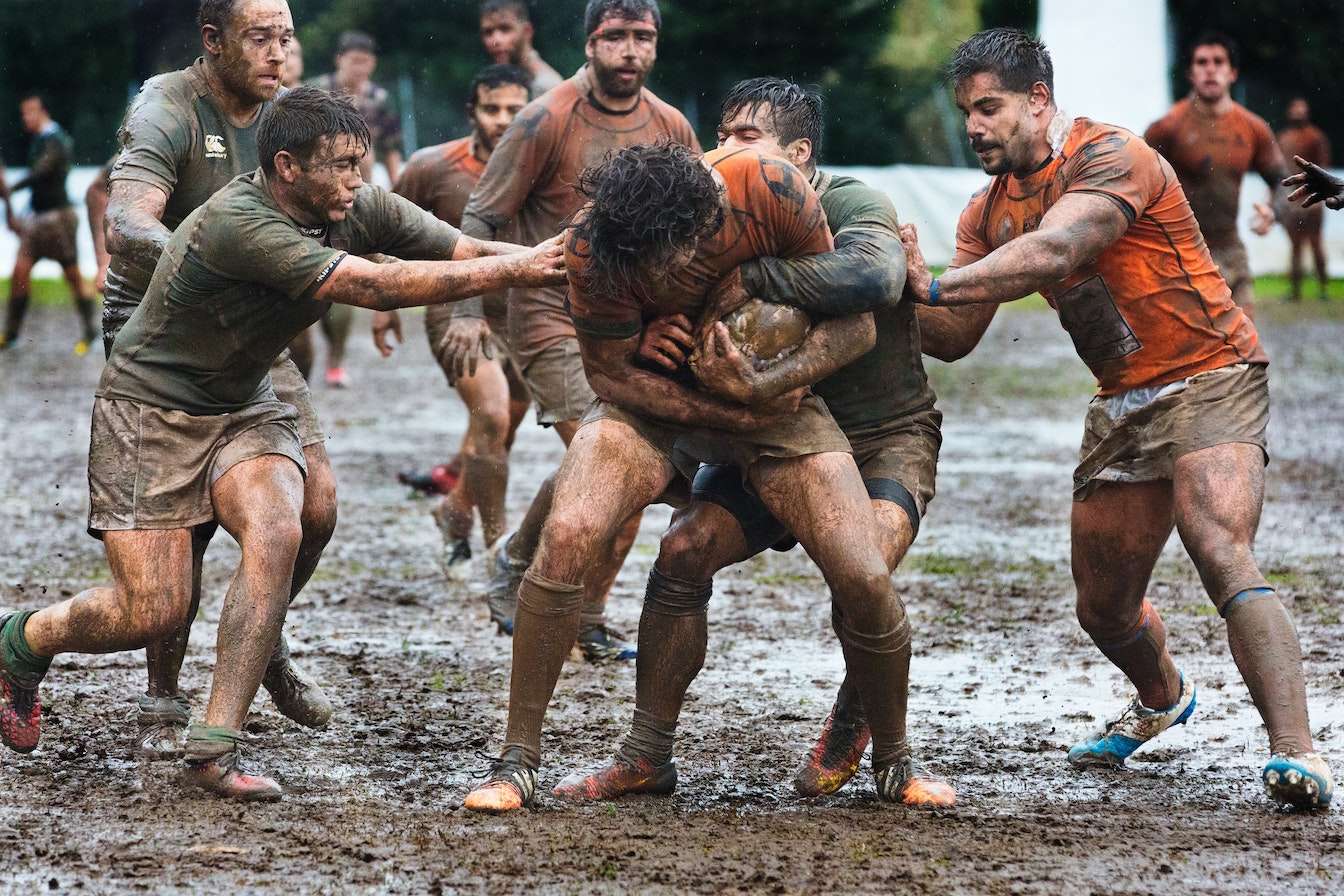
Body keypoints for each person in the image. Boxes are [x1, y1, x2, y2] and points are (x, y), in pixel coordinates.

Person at [0, 86, 566, 802]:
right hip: (151, 408)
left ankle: (215, 746)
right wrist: (521, 269)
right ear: (288, 167)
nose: (358, 181)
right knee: (152, 610)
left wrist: (552, 258)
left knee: (278, 529)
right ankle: (22, 640)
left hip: (244, 401)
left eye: (361, 163)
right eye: (342, 166)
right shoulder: (241, 221)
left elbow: (460, 246)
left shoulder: (353, 202)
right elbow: (378, 287)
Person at [899, 27, 1331, 810]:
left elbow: (1059, 249)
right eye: (967, 111)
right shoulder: (986, 211)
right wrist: (885, 292)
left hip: (1213, 372)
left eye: (989, 108)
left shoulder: (1110, 154)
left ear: (1038, 100)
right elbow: (956, 337)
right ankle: (1164, 697)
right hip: (1123, 401)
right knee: (1102, 606)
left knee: (1217, 542)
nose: (974, 127)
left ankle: (1297, 755)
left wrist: (928, 287)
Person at [464, 140, 926, 815]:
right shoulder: (594, 242)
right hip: (649, 395)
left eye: (675, 263)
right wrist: (697, 384)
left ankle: (895, 762)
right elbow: (610, 374)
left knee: (862, 572)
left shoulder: (771, 190)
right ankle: (519, 764)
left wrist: (767, 382)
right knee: (568, 534)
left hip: (776, 397)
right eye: (648, 274)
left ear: (704, 222)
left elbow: (855, 330)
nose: (666, 279)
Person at [102, 0, 334, 759]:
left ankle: (261, 639)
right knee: (188, 527)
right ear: (213, 41)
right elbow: (128, 224)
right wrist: (202, 268)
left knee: (318, 505)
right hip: (159, 336)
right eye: (260, 38)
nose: (278, 53)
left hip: (254, 334)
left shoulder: (288, 118)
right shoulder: (167, 106)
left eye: (287, 38)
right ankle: (164, 699)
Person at [450, 0, 699, 658]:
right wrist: (470, 309)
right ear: (590, 43)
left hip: (631, 321)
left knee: (640, 469)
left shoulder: (670, 124)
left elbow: (703, 221)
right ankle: (518, 566)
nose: (630, 50)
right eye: (615, 36)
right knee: (610, 455)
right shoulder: (545, 117)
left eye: (642, 37)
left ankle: (583, 608)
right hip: (548, 316)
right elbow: (480, 218)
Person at [377, 63, 533, 570]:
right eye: (492, 109)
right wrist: (383, 305)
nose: (504, 120)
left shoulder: (542, 165)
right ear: (472, 113)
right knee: (489, 413)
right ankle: (498, 547)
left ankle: (456, 511)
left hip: (523, 313)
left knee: (501, 430)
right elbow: (380, 228)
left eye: (515, 110)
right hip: (453, 310)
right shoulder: (433, 166)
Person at [1144, 32, 1288, 320]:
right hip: (1180, 256)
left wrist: (1272, 212)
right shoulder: (1167, 127)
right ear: (1190, 72)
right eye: (1201, 62)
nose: (1210, 69)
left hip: (1232, 252)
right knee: (1190, 358)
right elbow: (1134, 183)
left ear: (1233, 72)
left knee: (1247, 354)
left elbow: (1285, 184)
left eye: (1219, 62)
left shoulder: (1252, 128)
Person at [307, 30, 405, 386]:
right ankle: (309, 348)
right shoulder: (317, 92)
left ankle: (335, 360)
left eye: (366, 61)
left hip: (360, 191)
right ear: (339, 60)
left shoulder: (379, 99)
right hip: (317, 191)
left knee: (346, 271)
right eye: (353, 60)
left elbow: (392, 146)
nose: (359, 67)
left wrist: (396, 190)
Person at [2, 94, 98, 354]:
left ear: (44, 112)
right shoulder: (40, 141)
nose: (25, 118)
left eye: (29, 112)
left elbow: (40, 173)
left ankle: (92, 330)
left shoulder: (58, 141)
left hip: (58, 219)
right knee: (20, 273)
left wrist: (9, 188)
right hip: (38, 219)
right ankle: (10, 334)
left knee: (73, 276)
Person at [1276, 97, 1331, 301]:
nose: (1298, 113)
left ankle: (1324, 288)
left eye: (1302, 109)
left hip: (1313, 198)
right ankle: (1295, 290)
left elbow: (1324, 167)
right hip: (1292, 200)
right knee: (1296, 245)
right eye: (1295, 109)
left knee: (1316, 243)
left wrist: (1318, 195)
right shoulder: (1283, 138)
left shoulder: (1316, 137)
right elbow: (1277, 171)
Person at [479, 0, 564, 98]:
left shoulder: (547, 87)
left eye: (505, 29)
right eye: (488, 32)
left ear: (527, 31)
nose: (496, 40)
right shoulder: (491, 83)